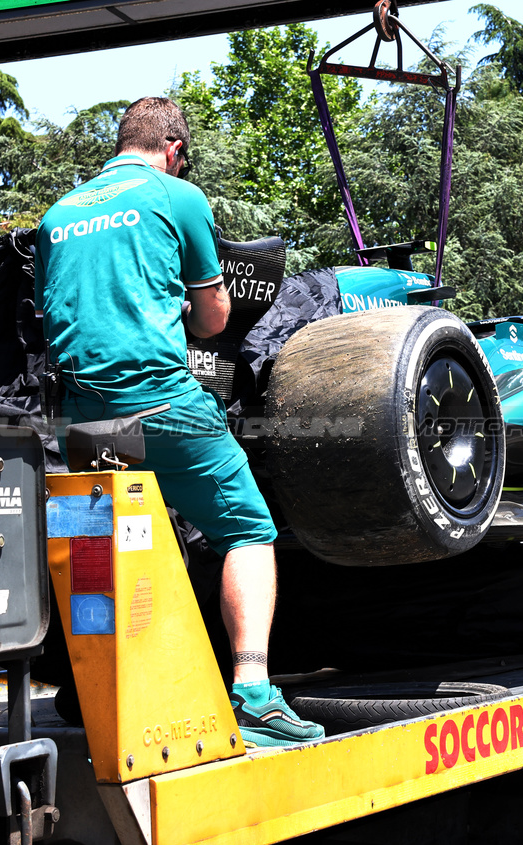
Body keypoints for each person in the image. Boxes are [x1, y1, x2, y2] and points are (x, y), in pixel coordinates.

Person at [35, 96, 324, 749]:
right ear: (173, 149)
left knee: (103, 546)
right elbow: (215, 318)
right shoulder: (177, 196)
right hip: (162, 402)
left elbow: (60, 318)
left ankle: (98, 690)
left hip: (81, 419)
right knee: (247, 529)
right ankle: (254, 695)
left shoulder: (58, 215)